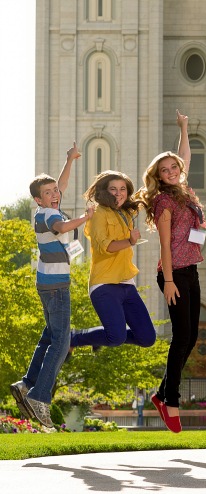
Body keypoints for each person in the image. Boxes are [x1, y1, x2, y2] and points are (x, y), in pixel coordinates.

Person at [10, 143, 94, 428]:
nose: (55, 194)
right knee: (62, 342)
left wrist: (69, 159)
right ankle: (39, 396)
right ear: (38, 199)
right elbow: (61, 228)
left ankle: (26, 383)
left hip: (46, 282)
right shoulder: (51, 216)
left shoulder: (42, 211)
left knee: (49, 335)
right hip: (57, 285)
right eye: (48, 193)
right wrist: (86, 217)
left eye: (55, 191)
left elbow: (60, 185)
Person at [139, 110, 205, 433]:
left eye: (174, 167)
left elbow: (185, 156)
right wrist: (167, 281)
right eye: (164, 170)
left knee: (191, 336)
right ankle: (171, 401)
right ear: (159, 176)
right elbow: (164, 246)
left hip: (191, 270)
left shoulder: (183, 191)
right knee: (181, 337)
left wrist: (183, 126)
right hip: (174, 272)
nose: (171, 171)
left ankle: (161, 393)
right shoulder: (164, 202)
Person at [68, 171, 157, 351]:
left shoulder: (125, 212)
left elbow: (148, 192)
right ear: (105, 191)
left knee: (147, 338)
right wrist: (130, 241)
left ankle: (99, 337)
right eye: (113, 189)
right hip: (104, 284)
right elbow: (105, 247)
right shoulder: (99, 213)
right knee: (116, 337)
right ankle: (74, 338)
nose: (119, 193)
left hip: (127, 284)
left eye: (123, 189)